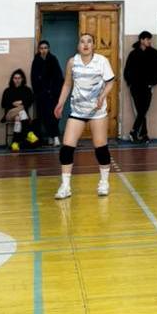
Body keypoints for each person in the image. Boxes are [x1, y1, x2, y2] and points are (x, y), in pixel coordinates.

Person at [53, 33, 116, 199]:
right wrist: (60, 103)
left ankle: (104, 182)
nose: (86, 44)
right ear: (78, 46)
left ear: (93, 45)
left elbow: (110, 82)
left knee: (100, 148)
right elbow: (67, 84)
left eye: (89, 41)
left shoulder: (102, 61)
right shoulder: (72, 62)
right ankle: (65, 186)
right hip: (77, 111)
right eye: (82, 42)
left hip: (97, 112)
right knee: (66, 147)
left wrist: (102, 96)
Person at [123, 30, 157, 144]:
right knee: (141, 111)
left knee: (143, 110)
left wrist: (153, 83)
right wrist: (130, 82)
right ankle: (143, 135)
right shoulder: (133, 54)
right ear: (141, 40)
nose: (149, 41)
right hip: (135, 87)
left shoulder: (154, 54)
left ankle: (134, 132)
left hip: (147, 87)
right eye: (147, 39)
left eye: (150, 39)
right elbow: (127, 70)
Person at [31, 40, 65, 146]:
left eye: (45, 48)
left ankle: (55, 137)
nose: (43, 50)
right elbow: (33, 78)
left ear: (48, 49)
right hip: (42, 94)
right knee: (44, 116)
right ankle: (50, 136)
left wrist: (56, 91)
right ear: (39, 50)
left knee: (54, 115)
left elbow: (59, 76)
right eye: (41, 48)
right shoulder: (36, 61)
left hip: (53, 94)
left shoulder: (53, 59)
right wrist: (38, 92)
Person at [1, 69, 39, 152]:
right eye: (15, 78)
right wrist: (14, 104)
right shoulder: (7, 90)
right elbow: (3, 104)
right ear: (12, 79)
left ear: (22, 79)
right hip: (10, 114)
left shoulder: (27, 90)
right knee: (21, 110)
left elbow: (30, 101)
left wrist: (21, 102)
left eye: (19, 78)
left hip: (21, 115)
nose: (17, 80)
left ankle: (15, 143)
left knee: (18, 117)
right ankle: (29, 133)